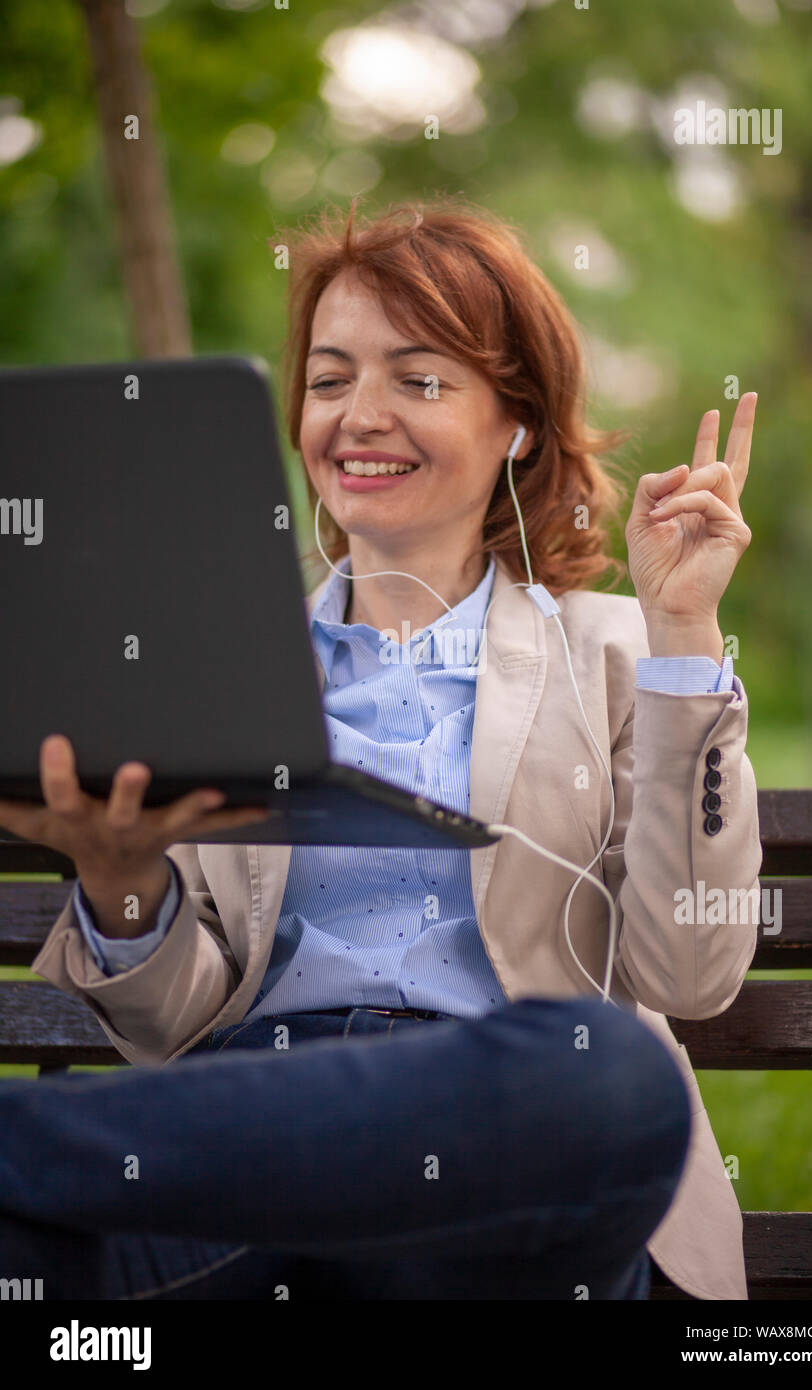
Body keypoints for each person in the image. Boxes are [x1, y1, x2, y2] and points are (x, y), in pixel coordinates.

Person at [0, 198, 760, 1301]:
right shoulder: (205, 664)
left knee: (611, 1080)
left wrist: (684, 634)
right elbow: (173, 1030)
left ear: (519, 424)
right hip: (254, 1172)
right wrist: (120, 886)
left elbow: (689, 976)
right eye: (327, 379)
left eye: (419, 379)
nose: (358, 415)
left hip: (506, 1174)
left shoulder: (615, 650)